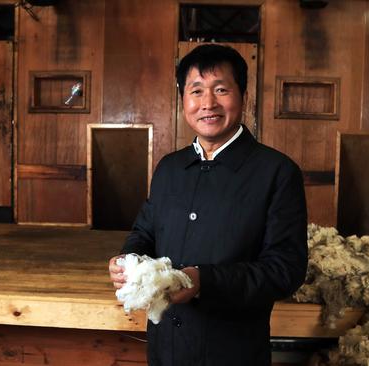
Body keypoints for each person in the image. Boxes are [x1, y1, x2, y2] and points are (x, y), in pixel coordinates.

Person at [109, 44, 307, 366]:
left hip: (233, 351)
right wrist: (126, 260)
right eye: (196, 91)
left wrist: (203, 281)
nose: (208, 104)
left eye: (221, 90)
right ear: (183, 99)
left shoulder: (277, 172)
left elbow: (285, 270)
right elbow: (144, 232)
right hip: (165, 350)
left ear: (243, 95)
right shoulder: (169, 168)